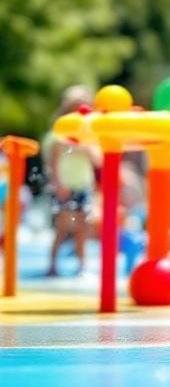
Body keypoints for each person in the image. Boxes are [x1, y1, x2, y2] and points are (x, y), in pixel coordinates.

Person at [43, 86, 98, 276]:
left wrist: (86, 146)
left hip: (83, 184)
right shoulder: (59, 133)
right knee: (63, 227)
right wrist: (58, 184)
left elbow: (99, 160)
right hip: (64, 185)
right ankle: (52, 265)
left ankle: (82, 265)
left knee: (83, 227)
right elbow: (52, 162)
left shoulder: (89, 135)